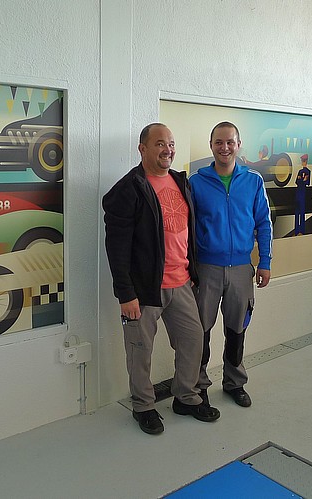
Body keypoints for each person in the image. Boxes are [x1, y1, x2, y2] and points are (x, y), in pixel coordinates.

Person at [102, 123, 220, 435]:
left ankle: (186, 397)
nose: (167, 149)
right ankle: (143, 406)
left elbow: (186, 232)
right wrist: (125, 293)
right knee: (140, 351)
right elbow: (116, 248)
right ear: (142, 149)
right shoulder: (127, 190)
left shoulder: (181, 182)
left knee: (193, 340)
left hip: (181, 283)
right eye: (159, 144)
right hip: (144, 290)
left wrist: (191, 273)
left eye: (171, 143)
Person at [189, 122, 273, 408]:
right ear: (211, 145)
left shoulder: (253, 181)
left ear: (238, 145)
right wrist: (189, 268)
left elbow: (264, 224)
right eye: (219, 142)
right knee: (200, 331)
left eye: (229, 142)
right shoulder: (196, 182)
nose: (224, 147)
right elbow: (188, 230)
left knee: (237, 330)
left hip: (241, 269)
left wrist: (265, 262)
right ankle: (198, 385)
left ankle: (234, 382)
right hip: (206, 269)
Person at [295, 153, 311, 236]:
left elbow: (306, 182)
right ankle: (297, 230)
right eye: (302, 161)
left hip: (302, 193)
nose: (303, 162)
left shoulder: (307, 172)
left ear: (306, 161)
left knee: (301, 212)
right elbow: (297, 181)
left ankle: (301, 230)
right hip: (298, 193)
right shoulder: (300, 171)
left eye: (304, 161)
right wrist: (302, 180)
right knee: (297, 212)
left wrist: (301, 180)